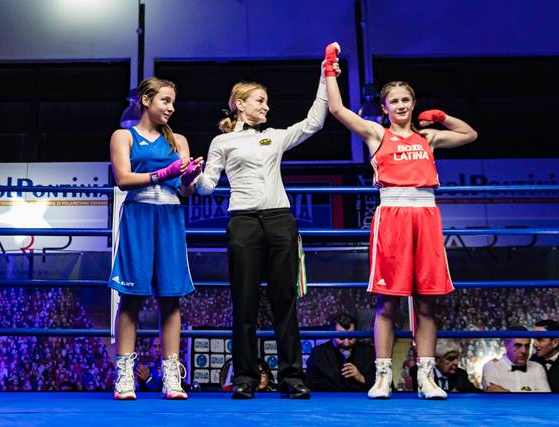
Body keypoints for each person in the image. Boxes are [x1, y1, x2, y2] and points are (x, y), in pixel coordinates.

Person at [323, 42, 478, 400]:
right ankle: (382, 377)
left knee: (426, 303)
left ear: (414, 103)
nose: (401, 105)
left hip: (426, 215)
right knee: (388, 302)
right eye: (394, 101)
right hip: (392, 217)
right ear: (385, 107)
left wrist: (442, 117)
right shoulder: (377, 134)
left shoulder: (428, 137)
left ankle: (426, 377)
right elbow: (337, 109)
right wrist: (330, 70)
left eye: (406, 100)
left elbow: (470, 135)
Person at [191, 60, 335, 400]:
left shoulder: (276, 136)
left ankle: (292, 377)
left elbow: (315, 122)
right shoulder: (221, 142)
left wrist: (324, 75)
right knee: (244, 302)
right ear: (240, 104)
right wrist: (192, 178)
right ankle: (244, 377)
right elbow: (207, 186)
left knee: (284, 300)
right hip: (243, 222)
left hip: (280, 220)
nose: (267, 107)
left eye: (267, 102)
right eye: (260, 101)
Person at [108, 77, 203, 400]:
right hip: (138, 215)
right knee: (130, 297)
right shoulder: (124, 136)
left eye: (173, 102)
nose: (171, 107)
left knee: (171, 298)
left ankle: (171, 376)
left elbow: (185, 190)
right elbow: (123, 179)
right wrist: (163, 174)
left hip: (170, 216)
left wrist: (189, 178)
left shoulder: (179, 140)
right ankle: (124, 375)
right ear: (146, 100)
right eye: (165, 100)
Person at [305, 312, 375, 392]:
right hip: (328, 399)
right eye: (341, 337)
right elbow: (309, 384)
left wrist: (361, 378)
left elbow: (381, 384)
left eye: (351, 337)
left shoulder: (368, 352)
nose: (346, 343)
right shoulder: (318, 354)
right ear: (332, 334)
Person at [481, 325, 550, 392]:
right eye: (518, 346)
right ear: (506, 345)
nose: (524, 351)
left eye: (527, 346)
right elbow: (495, 395)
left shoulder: (537, 368)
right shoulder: (492, 367)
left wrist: (507, 393)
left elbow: (545, 398)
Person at [409, 339, 480, 393]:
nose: (456, 362)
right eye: (450, 358)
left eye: (457, 358)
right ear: (437, 360)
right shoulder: (421, 372)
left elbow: (476, 393)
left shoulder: (461, 375)